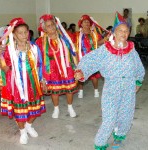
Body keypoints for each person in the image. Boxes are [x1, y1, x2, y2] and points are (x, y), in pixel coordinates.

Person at [74, 12, 145, 150]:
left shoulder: (131, 49)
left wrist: (138, 81)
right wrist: (81, 71)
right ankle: (100, 143)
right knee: (109, 119)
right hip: (111, 88)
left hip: (128, 87)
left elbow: (138, 67)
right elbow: (91, 59)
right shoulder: (106, 49)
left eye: (126, 31)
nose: (124, 34)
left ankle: (119, 137)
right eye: (120, 31)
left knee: (126, 116)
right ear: (114, 32)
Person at [0, 18, 46, 145]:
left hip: (33, 84)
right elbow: (4, 67)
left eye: (26, 32)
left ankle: (29, 126)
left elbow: (40, 65)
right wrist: (0, 58)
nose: (24, 35)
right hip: (16, 85)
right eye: (20, 33)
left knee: (35, 109)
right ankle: (22, 132)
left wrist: (43, 80)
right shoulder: (8, 49)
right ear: (13, 34)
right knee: (20, 110)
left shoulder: (34, 47)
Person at [36, 14, 78, 119]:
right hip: (51, 69)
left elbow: (73, 51)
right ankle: (56, 109)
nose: (51, 27)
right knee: (54, 91)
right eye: (48, 26)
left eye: (52, 25)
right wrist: (42, 76)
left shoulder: (65, 37)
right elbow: (39, 59)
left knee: (69, 89)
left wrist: (76, 66)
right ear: (44, 28)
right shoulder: (40, 41)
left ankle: (70, 107)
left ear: (56, 25)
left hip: (66, 67)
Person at [75, 14, 109, 98]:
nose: (86, 23)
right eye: (84, 22)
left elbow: (99, 43)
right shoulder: (76, 35)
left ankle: (96, 90)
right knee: (81, 73)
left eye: (88, 22)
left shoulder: (94, 34)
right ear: (81, 24)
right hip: (82, 57)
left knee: (94, 76)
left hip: (93, 57)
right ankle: (81, 91)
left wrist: (105, 39)